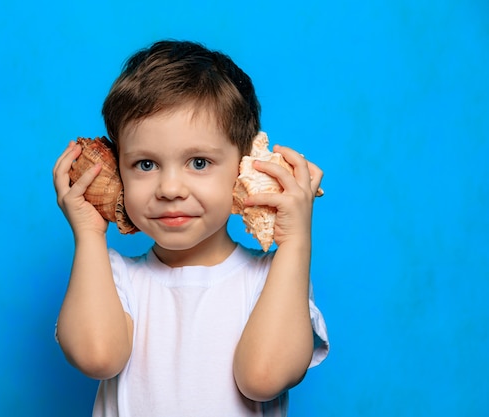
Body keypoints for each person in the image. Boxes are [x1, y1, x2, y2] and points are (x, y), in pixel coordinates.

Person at [52, 40, 329, 416]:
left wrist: (295, 243)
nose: (169, 189)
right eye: (146, 165)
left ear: (245, 165)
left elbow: (262, 378)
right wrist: (88, 237)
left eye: (198, 162)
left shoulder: (273, 279)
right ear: (119, 172)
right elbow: (96, 356)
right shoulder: (114, 278)